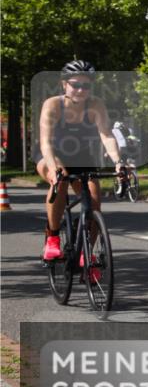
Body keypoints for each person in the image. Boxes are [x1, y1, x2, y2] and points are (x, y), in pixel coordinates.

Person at [36, 60, 125, 272]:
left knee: (94, 203)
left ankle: (87, 255)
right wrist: (54, 167)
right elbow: (46, 143)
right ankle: (53, 238)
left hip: (81, 157)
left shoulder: (95, 105)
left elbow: (106, 134)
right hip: (51, 155)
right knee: (61, 179)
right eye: (75, 84)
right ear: (64, 85)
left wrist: (118, 162)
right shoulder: (52, 105)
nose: (80, 90)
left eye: (86, 86)